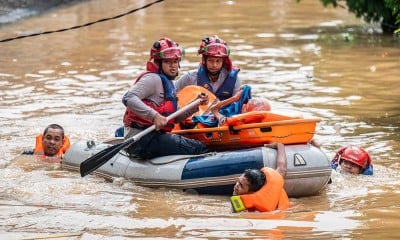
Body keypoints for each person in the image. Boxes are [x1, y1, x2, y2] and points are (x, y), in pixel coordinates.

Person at [122, 37, 209, 159]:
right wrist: (155, 116)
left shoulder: (168, 84)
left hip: (154, 136)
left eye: (175, 62)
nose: (173, 66)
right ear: (158, 63)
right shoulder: (152, 79)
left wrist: (195, 104)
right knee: (199, 148)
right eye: (168, 62)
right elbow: (128, 98)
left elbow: (175, 117)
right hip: (141, 140)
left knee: (196, 144)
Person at [175, 35, 241, 100]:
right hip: (198, 110)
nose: (214, 65)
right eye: (210, 60)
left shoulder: (234, 80)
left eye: (218, 61)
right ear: (204, 60)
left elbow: (236, 105)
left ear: (223, 62)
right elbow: (173, 95)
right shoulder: (190, 78)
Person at [230, 142, 290, 212]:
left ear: (252, 192)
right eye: (238, 181)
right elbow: (282, 168)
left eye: (241, 186)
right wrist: (279, 145)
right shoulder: (274, 182)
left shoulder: (258, 210)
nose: (236, 185)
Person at [309, 139, 373, 175]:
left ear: (361, 169)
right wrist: (317, 149)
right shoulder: (335, 171)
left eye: (353, 164)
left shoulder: (364, 180)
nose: (348, 166)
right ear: (340, 162)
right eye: (345, 162)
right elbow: (324, 160)